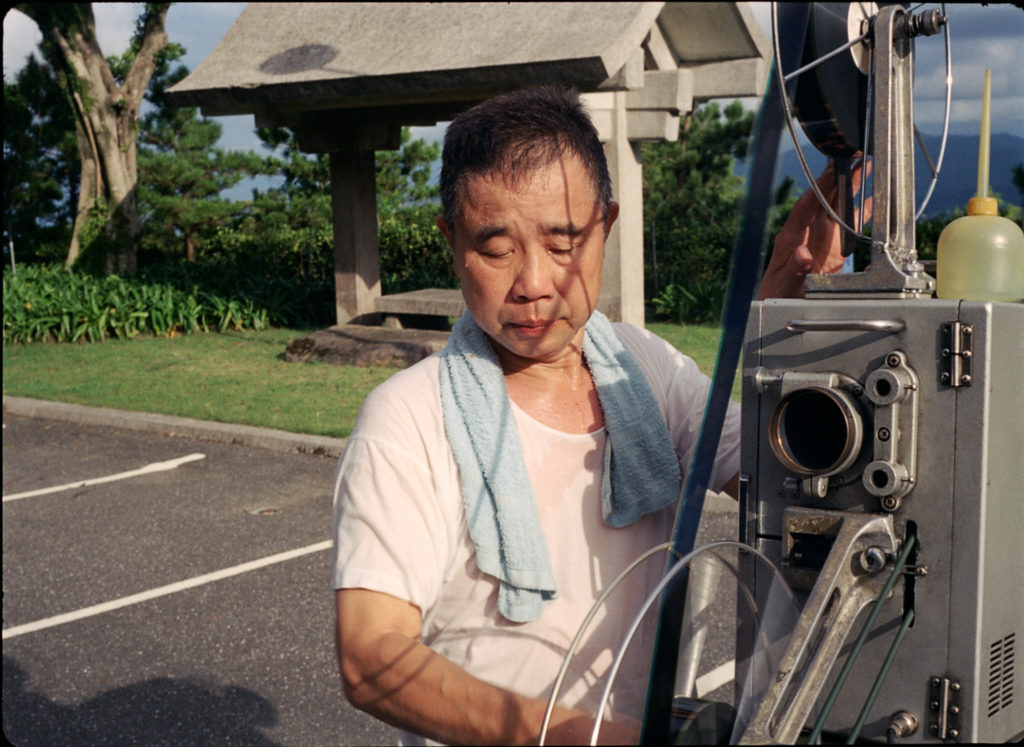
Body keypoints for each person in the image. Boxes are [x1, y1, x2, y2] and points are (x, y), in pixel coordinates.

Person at [331, 87, 854, 746]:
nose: (534, 282)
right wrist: (592, 739)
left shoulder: (644, 368)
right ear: (452, 240)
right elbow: (372, 659)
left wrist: (782, 305)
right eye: (496, 248)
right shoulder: (407, 418)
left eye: (564, 241)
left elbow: (775, 472)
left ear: (605, 225)